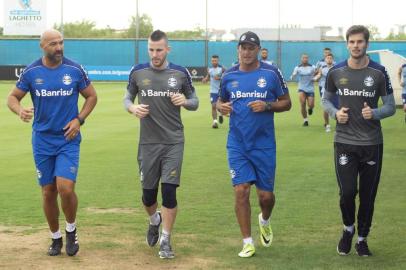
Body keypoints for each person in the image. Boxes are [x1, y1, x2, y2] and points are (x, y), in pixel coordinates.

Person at [6, 29, 97, 256]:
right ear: (42, 46)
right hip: (42, 140)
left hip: (68, 139)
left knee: (65, 188)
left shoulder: (75, 69)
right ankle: (55, 237)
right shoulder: (32, 71)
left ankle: (71, 229)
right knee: (48, 191)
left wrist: (79, 119)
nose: (59, 48)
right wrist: (19, 110)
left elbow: (92, 96)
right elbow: (12, 97)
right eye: (53, 44)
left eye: (61, 43)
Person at [123, 30, 199, 259]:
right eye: (151, 49)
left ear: (168, 49)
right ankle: (154, 219)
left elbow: (195, 101)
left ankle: (166, 240)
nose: (155, 54)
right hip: (148, 143)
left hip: (173, 141)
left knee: (169, 191)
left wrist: (185, 101)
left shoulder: (180, 73)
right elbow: (127, 97)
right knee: (148, 196)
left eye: (159, 50)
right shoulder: (138, 72)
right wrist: (132, 108)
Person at [322, 25, 396, 257]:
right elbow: (326, 101)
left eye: (360, 42)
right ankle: (347, 229)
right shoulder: (335, 71)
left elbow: (391, 107)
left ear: (367, 44)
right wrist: (336, 113)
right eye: (352, 42)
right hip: (344, 141)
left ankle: (362, 239)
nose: (356, 46)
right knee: (347, 192)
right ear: (347, 44)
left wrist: (375, 113)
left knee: (367, 195)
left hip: (372, 143)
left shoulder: (379, 72)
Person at [217, 31, 291, 258]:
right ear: (238, 50)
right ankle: (247, 242)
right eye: (243, 48)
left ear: (258, 49)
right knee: (241, 190)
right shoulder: (228, 76)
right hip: (237, 143)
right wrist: (221, 107)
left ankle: (265, 219)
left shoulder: (271, 73)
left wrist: (267, 106)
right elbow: (220, 100)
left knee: (265, 197)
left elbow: (286, 102)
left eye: (251, 48)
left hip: (264, 144)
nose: (246, 52)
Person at [291, 54, 316, 126]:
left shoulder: (312, 67)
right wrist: (293, 76)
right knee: (302, 103)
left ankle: (310, 109)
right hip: (301, 88)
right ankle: (305, 120)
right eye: (303, 58)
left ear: (308, 59)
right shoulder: (298, 67)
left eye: (306, 58)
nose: (305, 59)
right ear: (301, 59)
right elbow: (294, 74)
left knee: (311, 104)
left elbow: (318, 73)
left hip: (310, 88)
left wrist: (316, 77)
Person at [313, 53, 336, 132]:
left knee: (337, 107)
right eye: (327, 58)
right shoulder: (322, 68)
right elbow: (319, 75)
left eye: (330, 58)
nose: (329, 59)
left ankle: (339, 125)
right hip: (325, 90)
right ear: (325, 60)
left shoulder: (336, 68)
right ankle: (327, 125)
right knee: (325, 108)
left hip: (335, 91)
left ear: (332, 59)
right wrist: (315, 78)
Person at [202, 55, 226, 128]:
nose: (214, 62)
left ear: (218, 61)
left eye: (215, 60)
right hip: (213, 91)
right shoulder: (210, 69)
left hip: (221, 91)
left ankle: (221, 114)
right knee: (213, 106)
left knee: (220, 107)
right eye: (212, 60)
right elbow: (208, 77)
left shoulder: (222, 69)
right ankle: (215, 122)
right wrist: (205, 80)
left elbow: (226, 78)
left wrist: (219, 78)